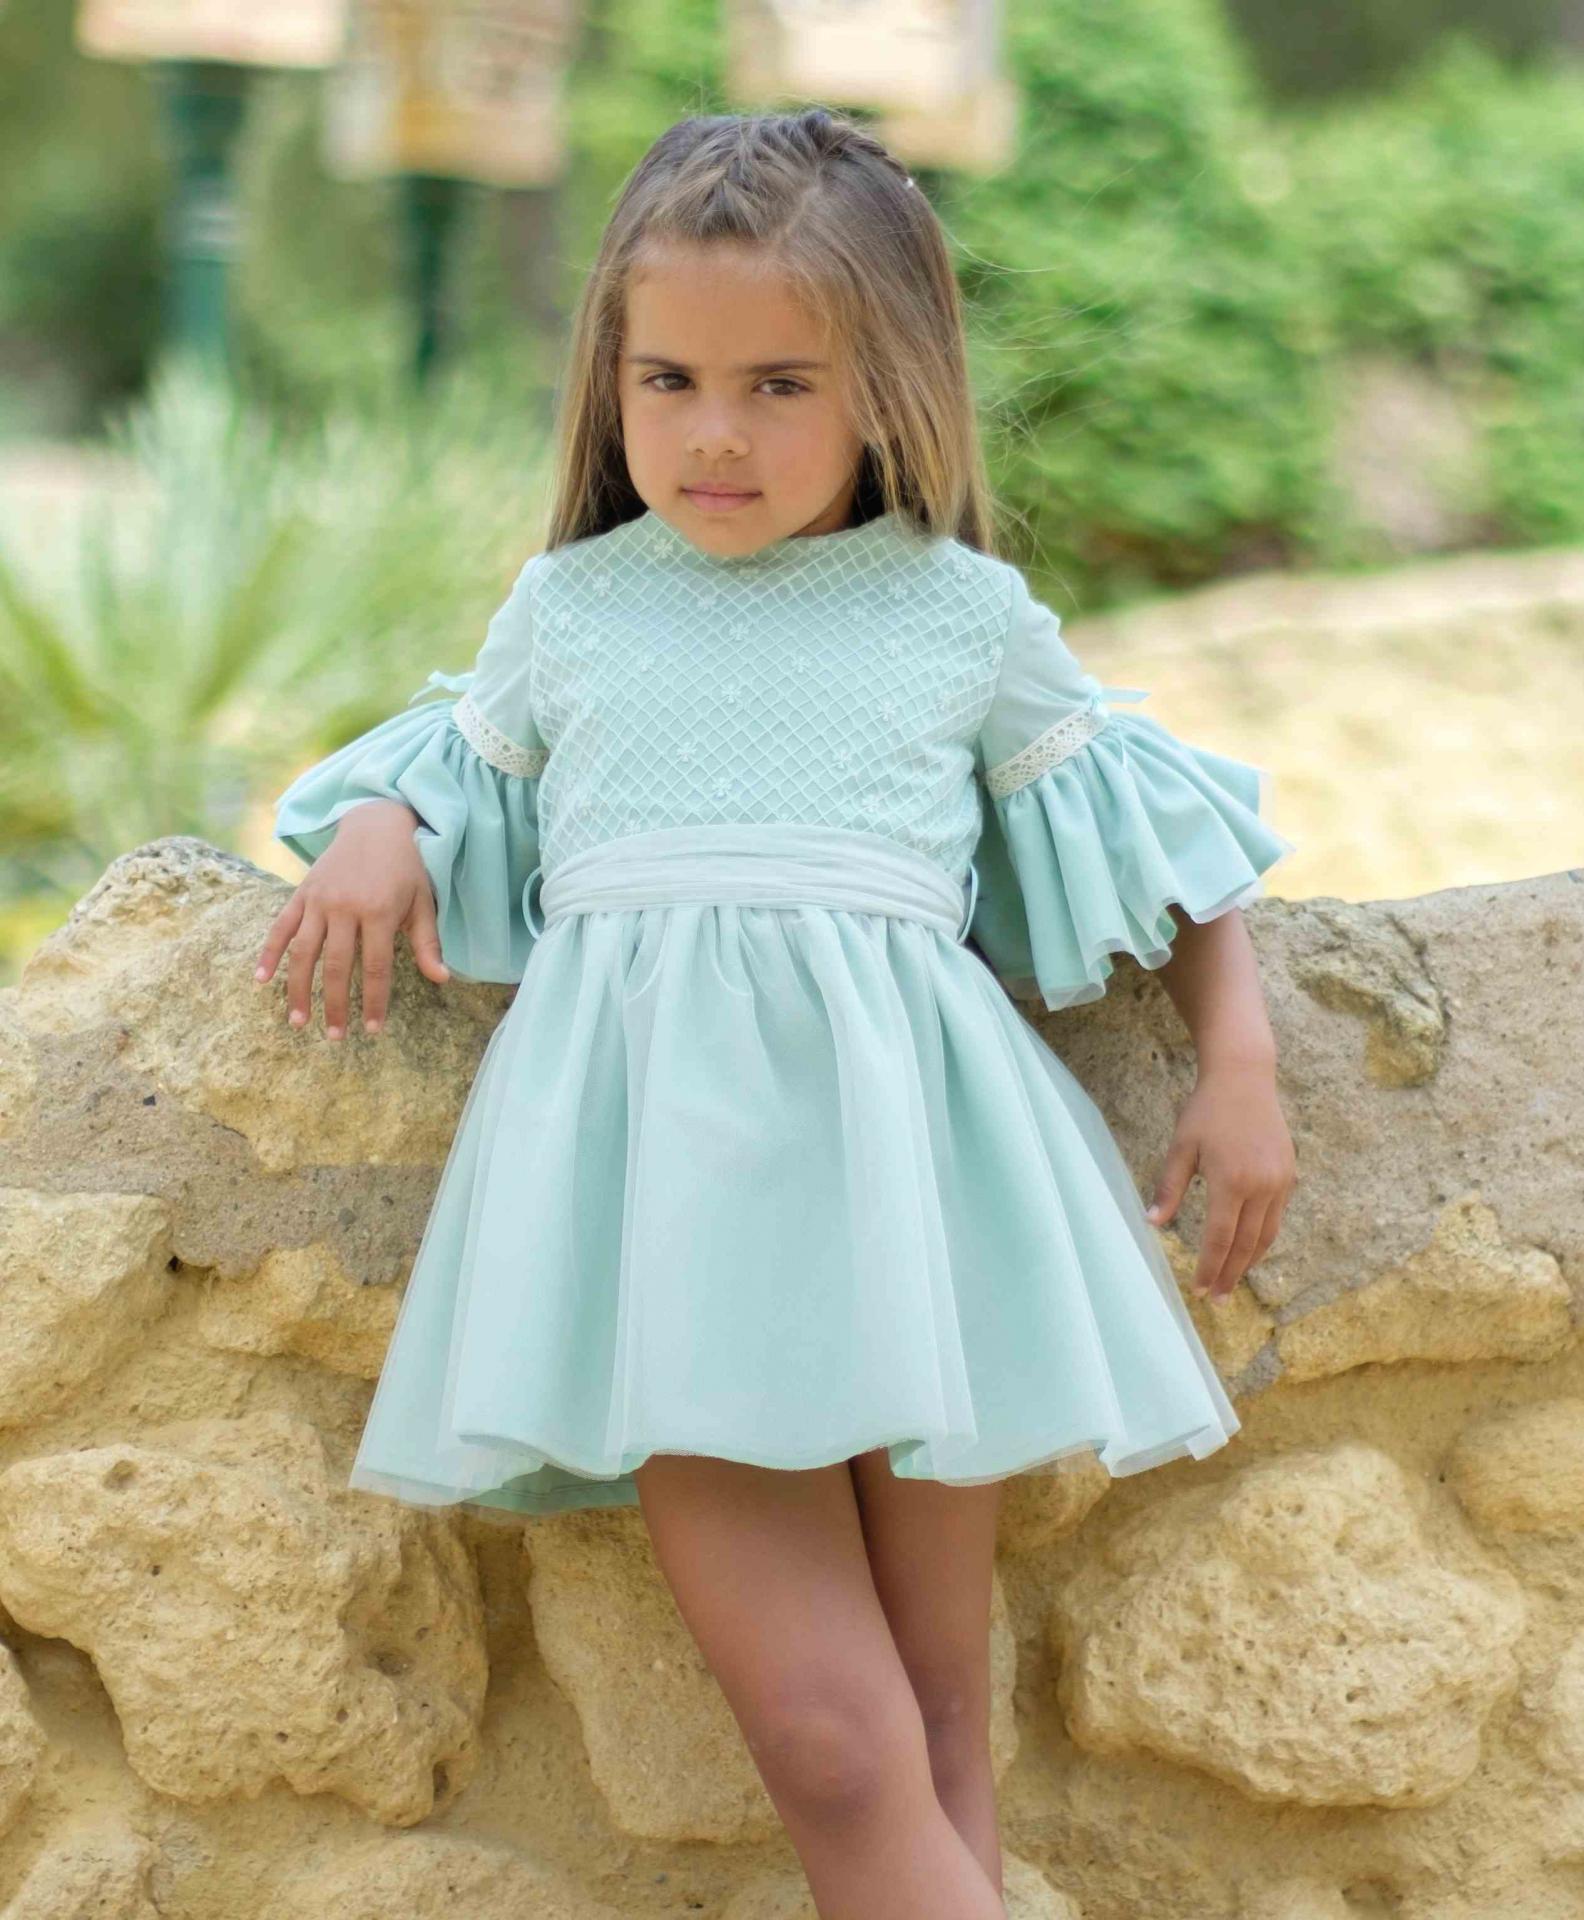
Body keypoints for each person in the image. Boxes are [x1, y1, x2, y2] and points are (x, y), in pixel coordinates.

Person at [255, 105, 1298, 1920]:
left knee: (938, 1725)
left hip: (916, 1195)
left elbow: (1159, 839)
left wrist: (1243, 1061)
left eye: (780, 386)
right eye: (667, 379)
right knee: (828, 1742)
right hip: (672, 1221)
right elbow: (454, 762)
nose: (714, 434)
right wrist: (378, 820)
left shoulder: (961, 617)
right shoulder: (571, 609)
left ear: (887, 389)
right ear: (610, 378)